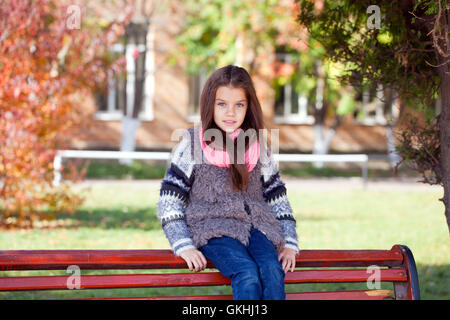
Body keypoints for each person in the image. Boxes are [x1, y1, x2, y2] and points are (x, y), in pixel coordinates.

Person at [157, 65, 299, 300]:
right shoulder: (192, 144)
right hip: (212, 229)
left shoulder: (257, 145)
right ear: (210, 104)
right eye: (222, 104)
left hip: (256, 229)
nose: (230, 113)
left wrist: (290, 242)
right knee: (247, 274)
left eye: (239, 105)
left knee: (272, 271)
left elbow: (278, 197)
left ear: (248, 107)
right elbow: (169, 200)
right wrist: (183, 244)